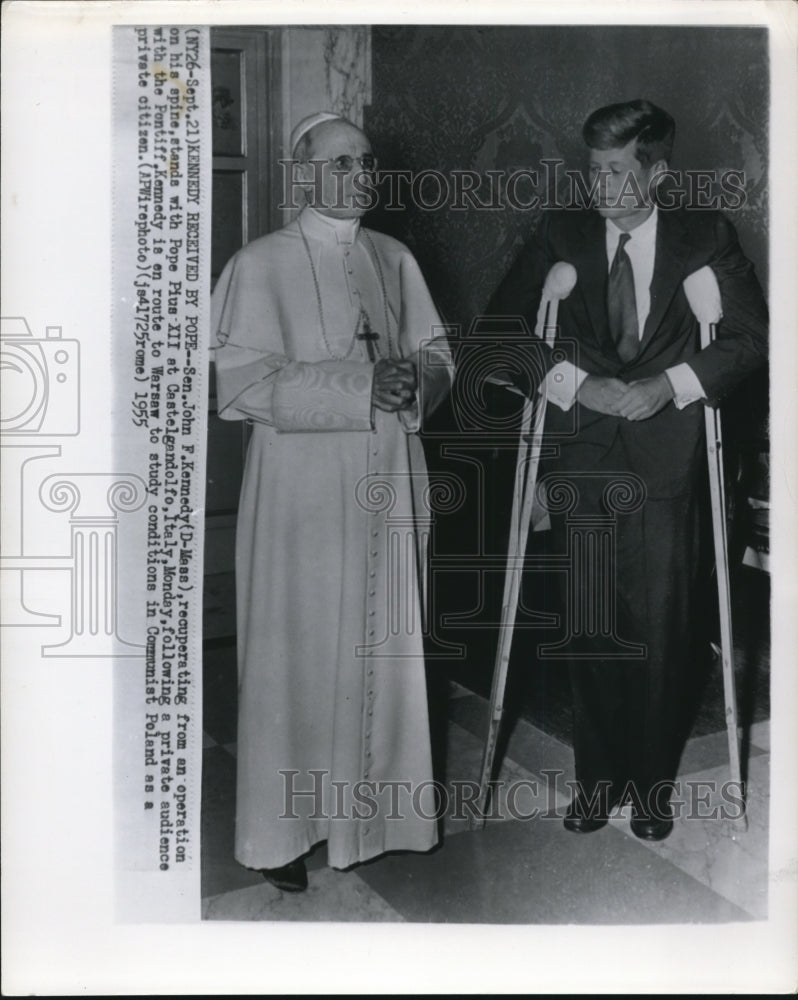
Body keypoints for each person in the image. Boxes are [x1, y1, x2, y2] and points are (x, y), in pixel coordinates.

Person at [486, 99, 767, 841]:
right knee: (589, 622)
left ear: (656, 172)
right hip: (582, 448)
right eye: (593, 169)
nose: (600, 185)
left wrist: (667, 384)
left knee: (660, 625)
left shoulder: (705, 235)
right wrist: (580, 384)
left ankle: (650, 787)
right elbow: (501, 333)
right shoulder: (562, 231)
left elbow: (746, 338)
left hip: (668, 453)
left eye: (615, 170)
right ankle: (595, 781)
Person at [211, 112, 453, 890]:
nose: (361, 177)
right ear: (303, 174)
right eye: (342, 164)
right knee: (295, 654)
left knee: (382, 640)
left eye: (367, 163)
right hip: (301, 496)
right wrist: (356, 386)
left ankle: (375, 819)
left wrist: (421, 381)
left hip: (388, 474)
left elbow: (438, 352)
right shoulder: (259, 264)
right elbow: (238, 383)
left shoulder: (395, 256)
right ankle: (282, 836)